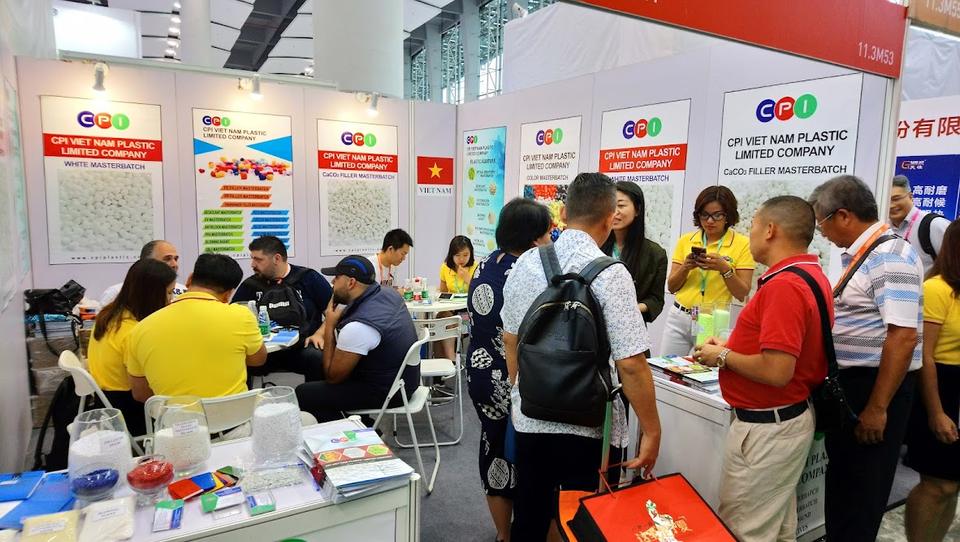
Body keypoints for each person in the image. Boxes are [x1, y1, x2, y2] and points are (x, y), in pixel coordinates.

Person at [501, 172, 661, 541]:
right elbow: (630, 364)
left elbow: (510, 339)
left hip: (531, 416)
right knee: (587, 520)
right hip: (591, 421)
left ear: (562, 213)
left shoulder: (526, 263)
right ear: (609, 219)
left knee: (530, 514)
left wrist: (521, 389)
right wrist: (652, 430)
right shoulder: (612, 274)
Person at [693, 196, 830, 541]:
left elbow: (777, 371)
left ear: (770, 230)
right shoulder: (809, 274)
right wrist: (733, 346)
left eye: (752, 225)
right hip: (785, 419)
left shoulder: (785, 285)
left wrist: (723, 357)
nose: (748, 234)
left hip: (768, 429)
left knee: (744, 530)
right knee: (777, 528)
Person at [809, 174, 922, 542]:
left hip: (874, 389)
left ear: (843, 215)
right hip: (854, 385)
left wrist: (877, 408)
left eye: (822, 223)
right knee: (845, 487)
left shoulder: (890, 256)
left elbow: (903, 337)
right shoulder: (867, 254)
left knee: (861, 494)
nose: (822, 233)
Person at [466, 198, 552, 542]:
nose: (550, 241)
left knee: (495, 447)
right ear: (533, 238)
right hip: (512, 378)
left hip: (480, 373)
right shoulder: (527, 272)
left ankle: (503, 534)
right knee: (528, 456)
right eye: (547, 234)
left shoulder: (487, 262)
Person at [127, 253, 267, 401]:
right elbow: (258, 360)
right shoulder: (241, 316)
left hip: (175, 415)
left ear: (189, 279)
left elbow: (141, 394)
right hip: (234, 413)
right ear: (228, 295)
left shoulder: (140, 329)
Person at [295, 256, 419, 422]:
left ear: (351, 283)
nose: (332, 282)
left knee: (304, 393)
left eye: (337, 278)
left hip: (388, 391)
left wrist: (330, 325)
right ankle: (362, 422)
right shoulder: (388, 293)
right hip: (405, 380)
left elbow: (333, 378)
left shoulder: (358, 327)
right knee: (318, 365)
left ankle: (354, 430)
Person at [904, 218, 960, 542]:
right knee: (938, 484)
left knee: (952, 485)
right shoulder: (937, 289)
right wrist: (937, 412)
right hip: (940, 388)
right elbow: (925, 355)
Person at [87, 259, 177, 436]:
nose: (171, 299)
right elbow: (142, 394)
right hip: (129, 412)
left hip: (104, 402)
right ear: (151, 295)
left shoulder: (109, 315)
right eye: (169, 293)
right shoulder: (133, 333)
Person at [663, 186, 755, 356]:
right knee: (667, 366)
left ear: (728, 215)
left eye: (717, 215)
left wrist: (724, 269)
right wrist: (686, 267)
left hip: (713, 319)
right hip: (680, 315)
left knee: (703, 368)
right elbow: (672, 287)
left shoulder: (742, 244)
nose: (710, 221)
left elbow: (742, 293)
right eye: (704, 215)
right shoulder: (686, 240)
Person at [232, 236, 333, 381]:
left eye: (258, 259)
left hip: (302, 346)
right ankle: (244, 396)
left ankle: (311, 395)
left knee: (316, 358)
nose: (253, 264)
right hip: (263, 350)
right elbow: (233, 315)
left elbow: (333, 311)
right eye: (252, 259)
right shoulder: (250, 285)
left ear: (277, 258)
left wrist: (319, 333)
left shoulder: (308, 278)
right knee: (237, 358)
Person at [600, 181, 668, 323]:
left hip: (630, 324)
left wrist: (630, 309)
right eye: (611, 205)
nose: (615, 212)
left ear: (637, 210)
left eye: (621, 205)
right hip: (595, 323)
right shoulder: (596, 245)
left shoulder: (655, 254)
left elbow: (656, 300)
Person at [889, 175, 950, 276]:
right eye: (887, 200)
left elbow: (955, 265)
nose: (891, 205)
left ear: (911, 196)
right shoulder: (883, 229)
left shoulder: (934, 225)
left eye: (896, 199)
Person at [99, 240, 185, 306]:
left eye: (176, 259)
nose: (174, 264)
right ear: (147, 262)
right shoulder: (115, 293)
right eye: (167, 259)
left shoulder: (183, 291)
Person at [435, 235, 477, 362]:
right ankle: (446, 362)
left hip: (469, 312)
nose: (461, 259)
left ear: (471, 254)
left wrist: (467, 278)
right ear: (451, 255)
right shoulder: (445, 267)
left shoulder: (476, 267)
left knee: (451, 321)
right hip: (451, 309)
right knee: (441, 319)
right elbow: (443, 291)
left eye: (465, 255)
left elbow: (479, 291)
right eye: (457, 255)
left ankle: (451, 360)